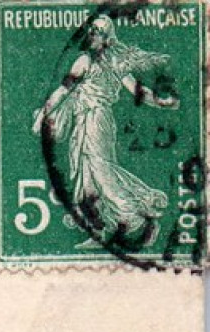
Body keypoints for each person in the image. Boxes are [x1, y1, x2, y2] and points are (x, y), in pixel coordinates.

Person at [33, 14, 179, 247]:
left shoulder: (108, 64)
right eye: (91, 30)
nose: (92, 34)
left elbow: (139, 92)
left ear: (107, 37)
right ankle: (100, 228)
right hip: (86, 121)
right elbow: (63, 91)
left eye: (98, 31)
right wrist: (44, 112)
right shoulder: (85, 61)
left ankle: (134, 217)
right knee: (86, 174)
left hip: (96, 119)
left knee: (100, 171)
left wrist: (161, 102)